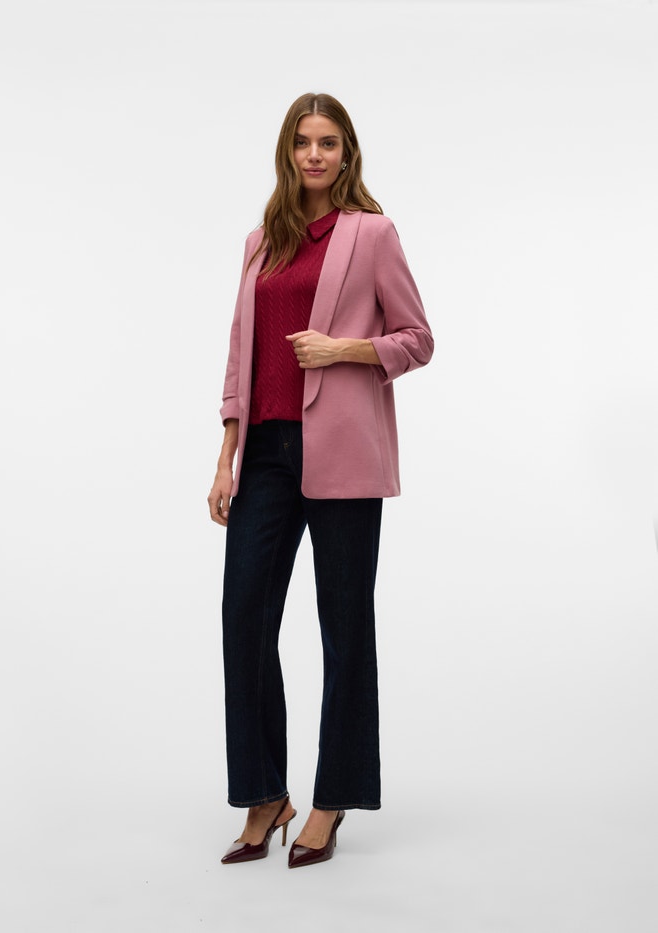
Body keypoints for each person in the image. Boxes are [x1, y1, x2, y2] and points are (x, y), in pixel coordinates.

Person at [208, 92, 434, 868]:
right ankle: (264, 793)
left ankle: (332, 798)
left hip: (342, 453)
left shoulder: (372, 234)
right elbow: (241, 354)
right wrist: (226, 454)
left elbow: (418, 338)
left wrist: (345, 350)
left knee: (344, 626)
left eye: (328, 142)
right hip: (266, 453)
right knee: (244, 616)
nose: (314, 154)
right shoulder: (259, 243)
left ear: (346, 153)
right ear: (287, 151)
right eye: (303, 142)